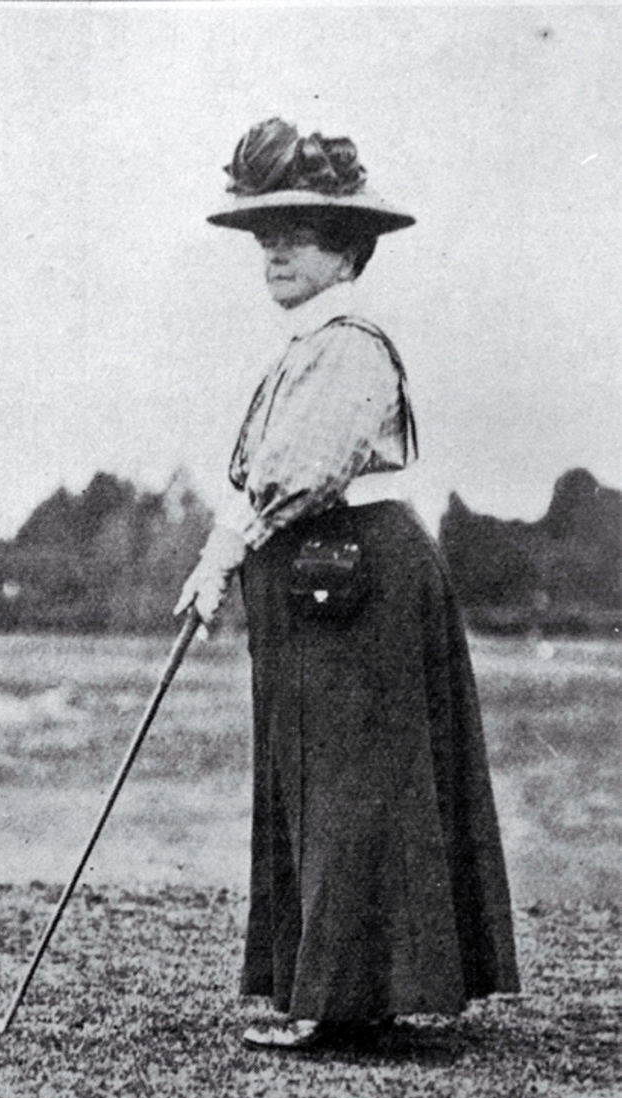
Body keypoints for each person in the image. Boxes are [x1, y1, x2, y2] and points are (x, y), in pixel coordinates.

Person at [175, 117, 519, 1050]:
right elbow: (266, 472)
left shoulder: (349, 342)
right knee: (322, 774)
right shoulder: (307, 343)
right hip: (321, 579)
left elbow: (305, 469)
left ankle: (339, 1002)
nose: (275, 249)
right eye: (264, 232)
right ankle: (337, 993)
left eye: (301, 232)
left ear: (348, 249)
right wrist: (224, 547)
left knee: (350, 780)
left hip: (355, 574)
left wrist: (225, 550)